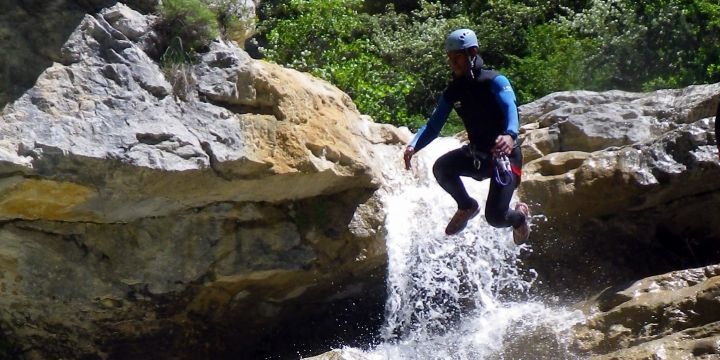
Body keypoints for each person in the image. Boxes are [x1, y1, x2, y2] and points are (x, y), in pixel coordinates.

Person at [403, 28, 530, 243]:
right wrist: (414, 145)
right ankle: (466, 205)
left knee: (496, 218)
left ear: (472, 52)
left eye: (457, 58)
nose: (453, 64)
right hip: (478, 156)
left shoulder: (495, 81)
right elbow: (434, 126)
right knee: (441, 167)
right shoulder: (454, 90)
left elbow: (511, 108)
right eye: (450, 59)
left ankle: (519, 217)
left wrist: (509, 135)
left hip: (504, 158)